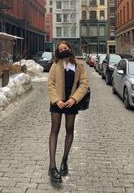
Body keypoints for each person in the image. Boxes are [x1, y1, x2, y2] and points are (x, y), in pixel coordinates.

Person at [47, 40, 88, 183]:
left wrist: (74, 99)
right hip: (57, 102)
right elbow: (50, 84)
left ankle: (64, 161)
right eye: (60, 49)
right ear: (58, 52)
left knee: (69, 130)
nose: (63, 50)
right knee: (54, 131)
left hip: (71, 103)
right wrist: (56, 99)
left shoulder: (79, 66)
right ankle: (52, 166)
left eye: (65, 47)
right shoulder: (55, 65)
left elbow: (83, 84)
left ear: (70, 49)